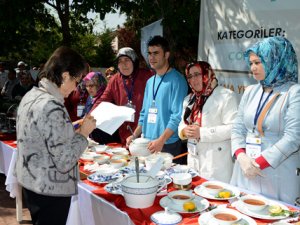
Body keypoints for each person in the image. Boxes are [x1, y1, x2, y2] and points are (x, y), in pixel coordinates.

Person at [15, 46, 96, 225]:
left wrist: (70, 133)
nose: (75, 88)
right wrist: (83, 134)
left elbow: (43, 138)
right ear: (65, 76)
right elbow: (64, 161)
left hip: (32, 183)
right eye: (76, 81)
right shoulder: (52, 106)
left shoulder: (31, 95)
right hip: (50, 190)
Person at [230, 36, 300, 204]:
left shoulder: (294, 92)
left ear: (276, 60)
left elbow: (293, 138)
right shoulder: (250, 91)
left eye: (258, 62)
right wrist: (241, 157)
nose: (253, 68)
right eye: (251, 63)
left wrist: (259, 163)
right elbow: (238, 128)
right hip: (245, 169)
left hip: (277, 173)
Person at [126, 35, 188, 163]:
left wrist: (161, 140)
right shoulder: (150, 82)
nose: (151, 57)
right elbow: (144, 114)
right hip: (147, 144)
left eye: (156, 53)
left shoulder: (177, 80)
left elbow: (177, 116)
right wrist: (134, 135)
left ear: (166, 55)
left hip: (167, 144)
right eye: (149, 53)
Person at [178, 61, 238, 182]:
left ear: (207, 73)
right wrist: (184, 131)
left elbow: (233, 128)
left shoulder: (226, 96)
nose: (194, 80)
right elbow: (182, 123)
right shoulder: (189, 99)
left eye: (197, 74)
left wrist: (202, 133)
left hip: (216, 165)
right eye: (190, 76)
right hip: (194, 161)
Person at [99, 47, 153, 145]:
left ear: (134, 61)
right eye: (120, 61)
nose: (123, 64)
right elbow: (103, 100)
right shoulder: (115, 80)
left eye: (127, 60)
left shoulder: (148, 76)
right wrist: (90, 115)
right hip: (124, 133)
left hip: (145, 134)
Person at [79, 71, 119, 144]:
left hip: (107, 140)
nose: (88, 88)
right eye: (86, 86)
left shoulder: (107, 98)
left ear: (99, 84)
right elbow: (85, 115)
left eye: (91, 85)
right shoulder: (90, 98)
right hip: (93, 139)